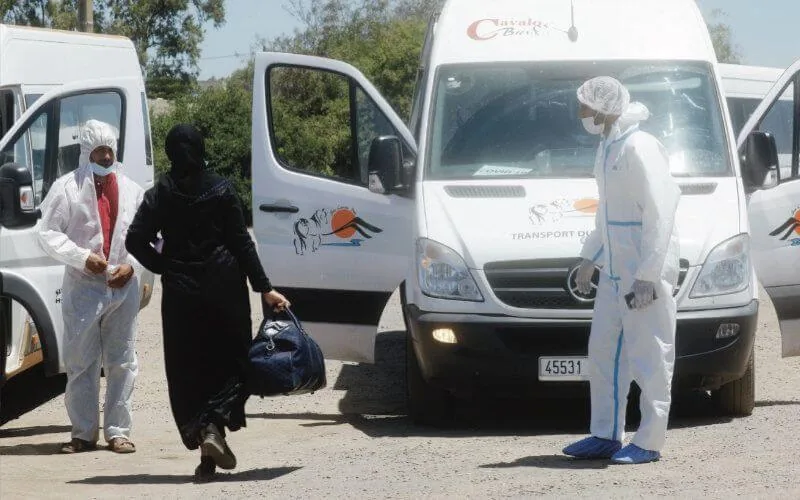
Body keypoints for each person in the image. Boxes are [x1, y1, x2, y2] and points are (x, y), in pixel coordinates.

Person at [125, 124, 290, 482]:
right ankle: (214, 433)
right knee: (229, 365)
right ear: (200, 148)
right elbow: (242, 244)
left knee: (189, 371)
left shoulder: (159, 196)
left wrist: (163, 265)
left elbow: (135, 240)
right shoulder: (221, 189)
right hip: (224, 292)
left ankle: (206, 450)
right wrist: (265, 287)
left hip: (182, 297)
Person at [562, 77, 681, 464]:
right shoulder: (608, 145)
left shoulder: (639, 146)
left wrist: (649, 274)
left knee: (650, 356)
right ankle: (605, 434)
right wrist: (589, 258)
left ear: (604, 108)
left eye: (585, 107)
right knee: (604, 352)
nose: (581, 114)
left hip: (642, 273)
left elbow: (661, 211)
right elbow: (607, 214)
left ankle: (649, 441)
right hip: (614, 273)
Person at [38, 119, 144, 454]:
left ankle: (118, 431)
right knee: (81, 361)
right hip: (84, 287)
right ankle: (83, 433)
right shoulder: (66, 188)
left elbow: (153, 238)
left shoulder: (132, 191)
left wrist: (133, 265)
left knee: (121, 360)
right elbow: (47, 233)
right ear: (86, 152)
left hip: (123, 287)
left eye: (109, 149)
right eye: (99, 150)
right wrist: (83, 257)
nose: (106, 156)